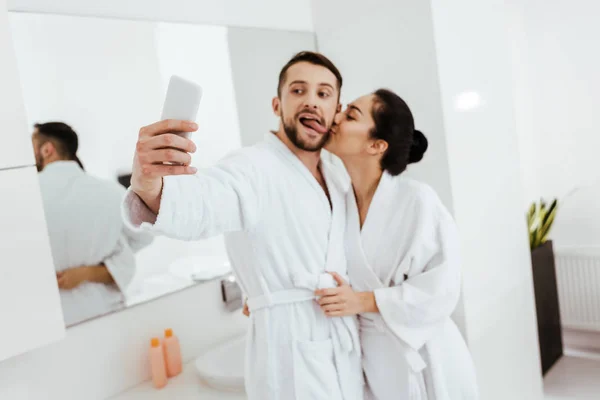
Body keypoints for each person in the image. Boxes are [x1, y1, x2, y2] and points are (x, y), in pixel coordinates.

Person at [122, 52, 363, 400]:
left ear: (336, 110)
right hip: (289, 355)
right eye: (298, 90)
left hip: (342, 346)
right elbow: (203, 202)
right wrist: (149, 185)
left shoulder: (337, 175)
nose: (311, 101)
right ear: (277, 104)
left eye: (324, 94)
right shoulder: (251, 168)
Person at [314, 89, 479, 399]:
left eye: (350, 115)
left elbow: (442, 290)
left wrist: (363, 301)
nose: (335, 117)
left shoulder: (418, 200)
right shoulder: (338, 202)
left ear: (376, 145)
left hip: (427, 357)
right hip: (375, 360)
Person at [32, 122, 153, 326]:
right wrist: (96, 268)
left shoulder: (25, 198)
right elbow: (145, 236)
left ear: (47, 149)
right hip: (106, 315)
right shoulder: (110, 192)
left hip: (50, 324)